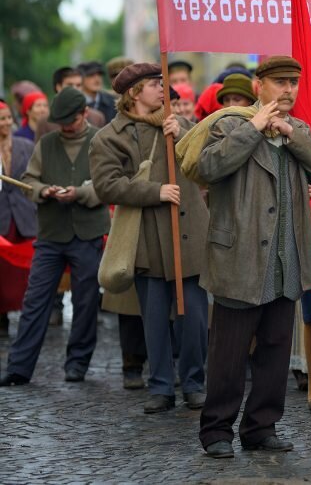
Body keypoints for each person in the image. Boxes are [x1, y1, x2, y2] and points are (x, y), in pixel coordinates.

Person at [191, 56, 311, 458]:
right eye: (280, 82)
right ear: (260, 85)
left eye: (294, 82)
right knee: (228, 354)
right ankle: (217, 430)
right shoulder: (229, 124)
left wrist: (292, 135)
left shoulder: (299, 129)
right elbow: (209, 167)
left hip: (286, 260)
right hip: (239, 258)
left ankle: (261, 427)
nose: (288, 89)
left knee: (274, 352)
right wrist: (254, 129)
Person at [90, 62, 211, 413]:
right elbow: (106, 185)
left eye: (163, 83)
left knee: (195, 319)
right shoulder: (109, 136)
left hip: (188, 235)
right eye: (155, 84)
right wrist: (154, 191)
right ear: (133, 93)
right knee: (155, 320)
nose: (163, 89)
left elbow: (206, 162)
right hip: (145, 239)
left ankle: (193, 382)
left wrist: (185, 129)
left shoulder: (178, 123)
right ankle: (160, 386)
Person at [0, 88, 109, 385]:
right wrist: (43, 191)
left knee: (86, 301)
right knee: (35, 300)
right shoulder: (46, 143)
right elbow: (29, 180)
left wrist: (81, 193)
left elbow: (109, 183)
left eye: (69, 122)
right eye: (59, 122)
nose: (63, 128)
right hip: (50, 234)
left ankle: (77, 363)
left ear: (83, 114)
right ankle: (19, 367)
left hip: (87, 233)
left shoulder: (101, 139)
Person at [0, 101, 37, 337]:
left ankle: (27, 316)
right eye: (0, 119)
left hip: (23, 216)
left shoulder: (26, 145)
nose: (5, 123)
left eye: (7, 118)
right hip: (1, 218)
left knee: (24, 271)